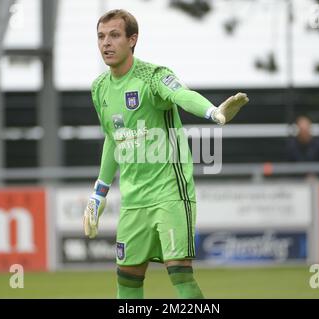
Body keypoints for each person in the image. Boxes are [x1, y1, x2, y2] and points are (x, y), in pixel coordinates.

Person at [82, 9, 249, 299]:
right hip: (133, 200)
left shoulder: (152, 76)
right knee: (127, 280)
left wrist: (213, 112)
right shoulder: (99, 88)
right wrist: (99, 192)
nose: (106, 43)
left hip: (169, 193)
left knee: (179, 273)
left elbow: (181, 95)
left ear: (132, 39)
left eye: (115, 35)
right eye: (101, 36)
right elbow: (113, 138)